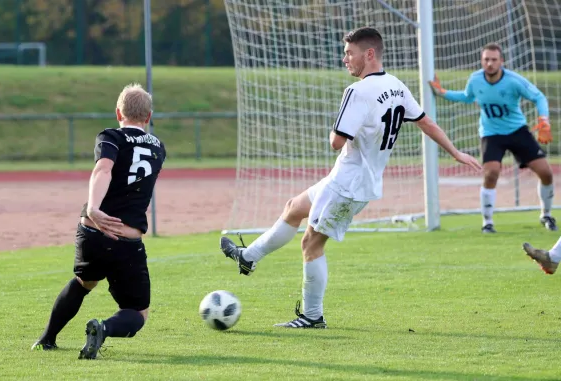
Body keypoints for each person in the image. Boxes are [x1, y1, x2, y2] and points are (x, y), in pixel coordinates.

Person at [219, 27, 482, 328]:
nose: (344, 58)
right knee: (294, 207)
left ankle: (312, 316)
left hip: (349, 184)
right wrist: (456, 152)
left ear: (369, 54)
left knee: (311, 245)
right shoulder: (396, 85)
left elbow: (336, 141)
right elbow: (426, 122)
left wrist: (336, 129)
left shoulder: (357, 92)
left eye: (349, 52)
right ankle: (248, 257)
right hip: (349, 178)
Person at [31, 83, 165, 359]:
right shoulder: (158, 147)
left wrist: (93, 207)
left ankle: (46, 339)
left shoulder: (110, 136)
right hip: (126, 239)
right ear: (148, 117)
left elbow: (104, 168)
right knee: (138, 313)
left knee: (84, 282)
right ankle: (102, 328)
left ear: (118, 112)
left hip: (92, 232)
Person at [428, 43, 556, 234]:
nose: (489, 63)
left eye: (494, 59)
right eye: (486, 59)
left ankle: (546, 214)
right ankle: (487, 222)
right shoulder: (476, 79)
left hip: (517, 130)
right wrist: (442, 92)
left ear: (501, 62)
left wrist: (544, 119)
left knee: (545, 173)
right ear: (482, 61)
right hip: (491, 133)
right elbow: (467, 97)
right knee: (491, 173)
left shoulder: (513, 80)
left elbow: (539, 97)